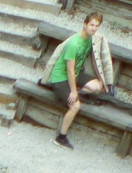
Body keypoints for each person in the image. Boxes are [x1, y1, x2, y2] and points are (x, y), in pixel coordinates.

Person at [45, 12, 107, 150]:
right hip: (60, 78)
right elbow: (70, 70)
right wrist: (73, 91)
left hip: (76, 74)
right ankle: (61, 138)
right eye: (91, 25)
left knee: (97, 87)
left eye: (97, 26)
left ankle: (77, 92)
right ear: (85, 24)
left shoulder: (90, 40)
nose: (94, 28)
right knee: (75, 106)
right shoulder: (73, 43)